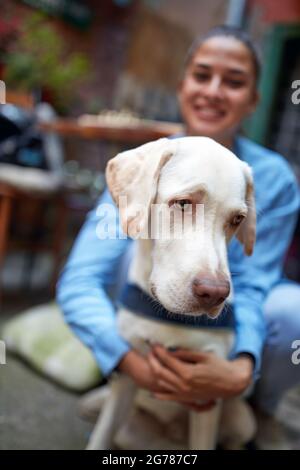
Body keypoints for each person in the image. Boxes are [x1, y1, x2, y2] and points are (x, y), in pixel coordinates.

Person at [57, 25, 300, 449]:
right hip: (141, 310)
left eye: (235, 81)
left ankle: (251, 403)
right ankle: (138, 385)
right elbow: (80, 279)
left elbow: (256, 284)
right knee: (125, 245)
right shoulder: (151, 161)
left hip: (220, 327)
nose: (214, 91)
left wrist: (243, 365)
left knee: (291, 310)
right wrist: (129, 362)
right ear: (182, 84)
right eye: (202, 74)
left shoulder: (268, 176)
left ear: (254, 101)